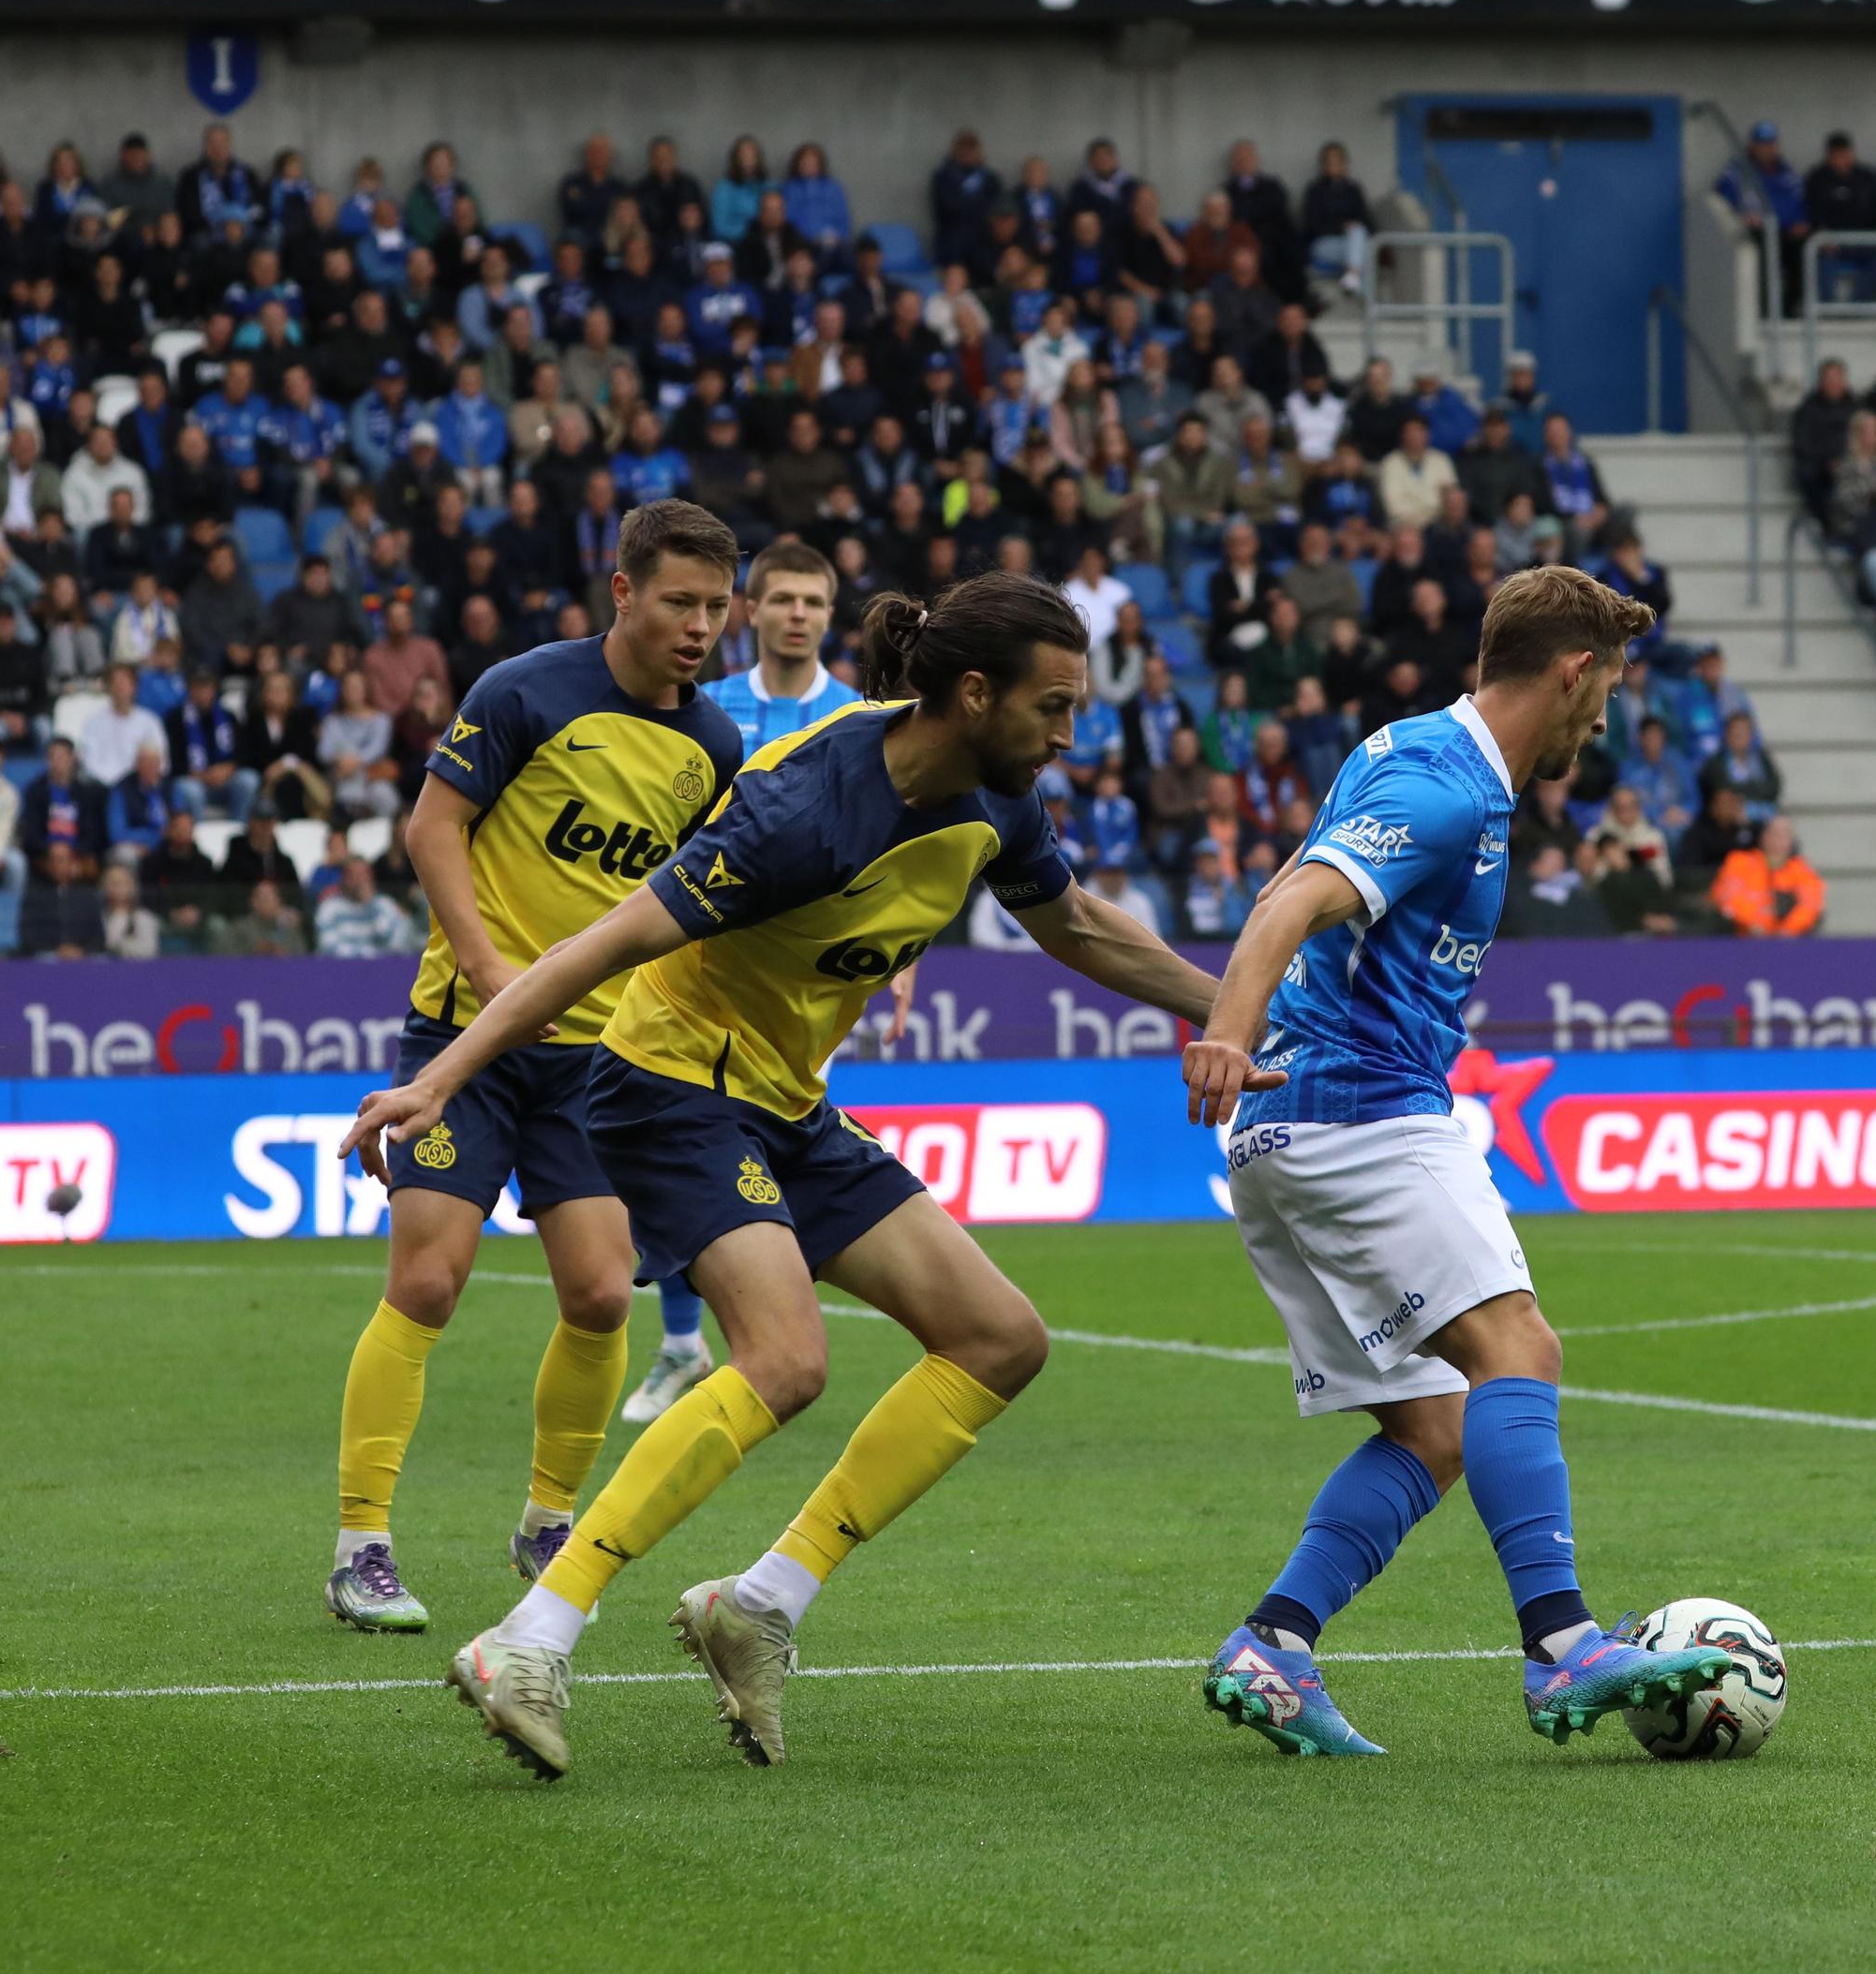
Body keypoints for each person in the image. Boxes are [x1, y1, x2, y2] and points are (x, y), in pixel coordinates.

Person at [342, 573, 1234, 1780]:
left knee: (999, 1339)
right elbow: (601, 945)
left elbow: (1076, 924)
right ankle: (530, 1634)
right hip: (668, 1084)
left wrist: (1238, 1008)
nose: (1070, 734)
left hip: (786, 1103)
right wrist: (439, 1078)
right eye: (1054, 705)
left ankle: (760, 1602)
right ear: (976, 694)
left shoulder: (996, 798)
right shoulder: (800, 811)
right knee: (784, 1357)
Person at [1179, 566, 1764, 1758]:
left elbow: (1307, 892)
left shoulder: (1424, 755)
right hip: (1362, 1115)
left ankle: (1274, 1643)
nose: (1605, 720)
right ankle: (1564, 1645)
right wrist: (1229, 1033)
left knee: (1436, 1425)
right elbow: (1289, 902)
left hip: (1298, 1131)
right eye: (1607, 692)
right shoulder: (1443, 784)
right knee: (1519, 1350)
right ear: (1573, 672)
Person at [319, 501, 747, 1640]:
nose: (700, 626)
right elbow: (431, 829)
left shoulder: (715, 748)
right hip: (464, 1039)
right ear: (624, 590)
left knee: (603, 1295)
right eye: (679, 602)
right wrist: (482, 963)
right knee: (428, 1281)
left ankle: (549, 1523)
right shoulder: (524, 691)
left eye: (717, 607)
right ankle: (361, 1547)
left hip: (598, 1060)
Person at [626, 535, 864, 1428]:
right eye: (784, 600)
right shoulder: (705, 707)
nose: (798, 615)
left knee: (775, 1157)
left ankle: (755, 1347)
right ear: (752, 611)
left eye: (815, 602)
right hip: (692, 971)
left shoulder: (860, 717)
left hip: (802, 985)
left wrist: (903, 962)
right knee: (676, 1163)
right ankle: (684, 1343)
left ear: (829, 616)